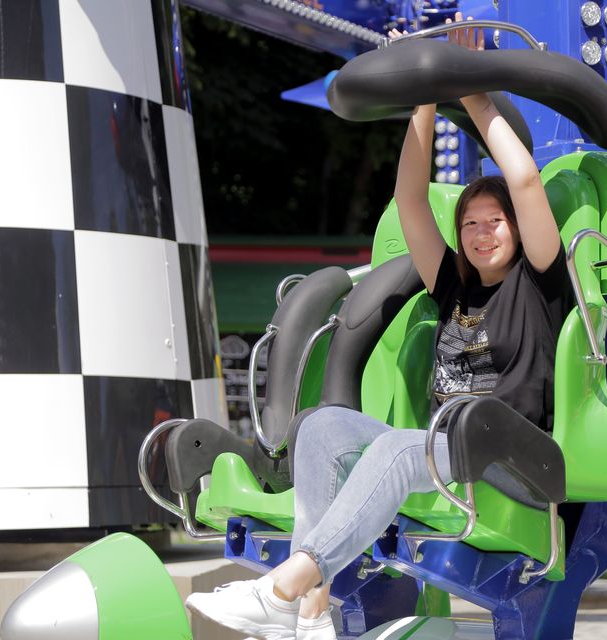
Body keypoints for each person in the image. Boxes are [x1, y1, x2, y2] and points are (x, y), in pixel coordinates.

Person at [185, 15, 573, 640]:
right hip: (446, 450)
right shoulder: (454, 286)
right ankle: (311, 612)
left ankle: (288, 585)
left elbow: (524, 179)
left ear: (519, 229)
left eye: (494, 222)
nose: (480, 233)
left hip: (507, 449)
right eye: (470, 224)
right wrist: (424, 97)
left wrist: (468, 85)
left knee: (397, 446)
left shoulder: (541, 282)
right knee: (321, 430)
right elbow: (412, 200)